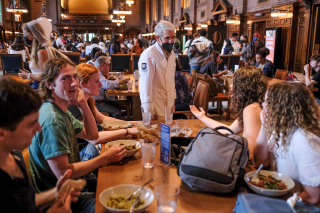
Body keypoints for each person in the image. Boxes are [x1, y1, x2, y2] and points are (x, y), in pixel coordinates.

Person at [28, 58, 127, 213]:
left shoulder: (60, 110)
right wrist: (105, 157)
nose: (74, 83)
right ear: (49, 85)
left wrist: (82, 105)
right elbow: (63, 173)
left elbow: (92, 135)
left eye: (74, 76)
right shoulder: (53, 120)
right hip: (62, 201)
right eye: (65, 78)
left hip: (75, 188)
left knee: (122, 184)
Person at [0, 78, 83, 213]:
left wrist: (55, 193)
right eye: (31, 124)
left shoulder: (13, 155)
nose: (39, 128)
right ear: (2, 133)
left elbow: (25, 203)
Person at [253, 82, 320, 205]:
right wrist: (265, 125)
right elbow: (258, 162)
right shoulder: (281, 129)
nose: (262, 105)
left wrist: (278, 206)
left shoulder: (302, 139)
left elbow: (313, 196)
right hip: (279, 196)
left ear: (281, 108)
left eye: (267, 101)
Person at [190, 66, 267, 160]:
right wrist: (202, 117)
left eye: (235, 82)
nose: (231, 86)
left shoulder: (251, 109)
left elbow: (250, 154)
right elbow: (229, 130)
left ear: (245, 87)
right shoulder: (254, 107)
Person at [68, 63, 137, 149]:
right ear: (83, 84)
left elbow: (102, 119)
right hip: (83, 151)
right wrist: (127, 131)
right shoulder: (73, 106)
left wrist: (128, 124)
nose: (100, 85)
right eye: (96, 81)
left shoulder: (89, 99)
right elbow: (94, 139)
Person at [139, 20, 176, 120]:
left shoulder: (171, 53)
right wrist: (149, 110)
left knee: (168, 133)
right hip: (155, 105)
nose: (171, 41)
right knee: (155, 134)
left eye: (173, 37)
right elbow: (145, 85)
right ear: (157, 38)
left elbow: (171, 79)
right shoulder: (148, 55)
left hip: (168, 103)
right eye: (167, 38)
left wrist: (172, 101)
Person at [18, 18, 69, 90]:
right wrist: (32, 72)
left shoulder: (41, 51)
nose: (24, 37)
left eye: (25, 34)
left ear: (34, 34)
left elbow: (46, 76)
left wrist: (28, 75)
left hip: (42, 87)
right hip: (38, 83)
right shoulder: (41, 49)